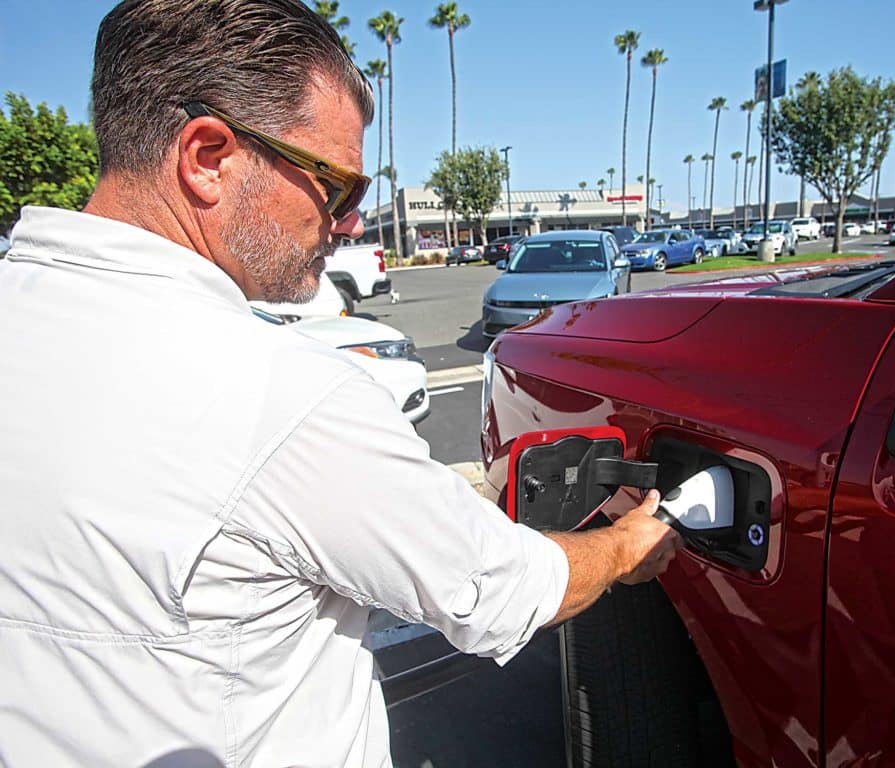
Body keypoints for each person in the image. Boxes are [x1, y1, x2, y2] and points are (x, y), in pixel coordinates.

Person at [0, 1, 679, 766]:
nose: (350, 224)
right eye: (337, 188)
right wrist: (624, 548)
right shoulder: (281, 397)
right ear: (208, 157)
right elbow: (501, 589)